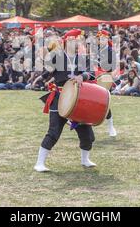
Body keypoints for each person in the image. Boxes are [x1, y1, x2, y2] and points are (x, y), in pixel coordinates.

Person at [34, 29, 96, 172]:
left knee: (88, 136)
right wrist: (39, 78)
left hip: (78, 99)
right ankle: (39, 163)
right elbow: (48, 68)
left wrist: (83, 76)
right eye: (75, 40)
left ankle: (85, 160)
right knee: (53, 132)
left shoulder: (83, 58)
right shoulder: (58, 56)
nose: (78, 43)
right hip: (60, 97)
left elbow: (92, 74)